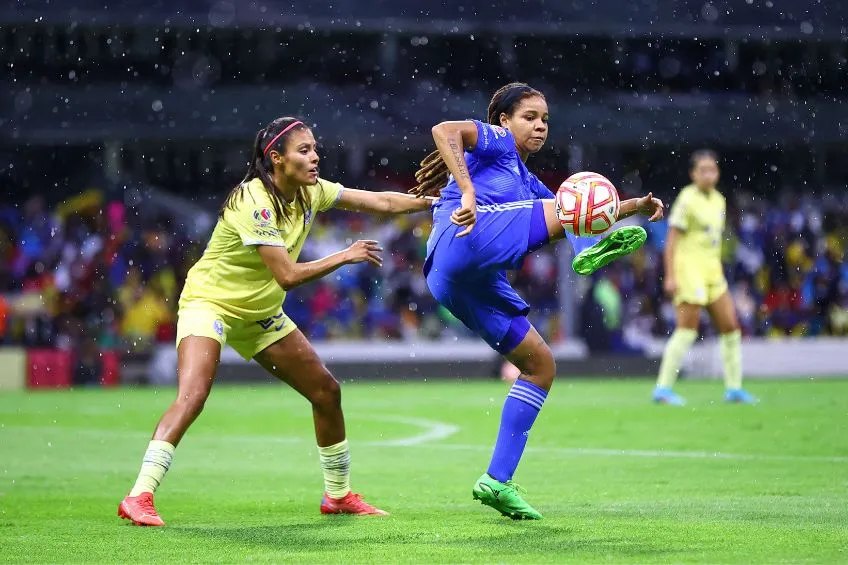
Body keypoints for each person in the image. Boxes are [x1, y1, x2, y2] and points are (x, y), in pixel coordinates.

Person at [118, 117, 435, 526]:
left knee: (326, 392)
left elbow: (384, 203)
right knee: (193, 395)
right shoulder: (252, 199)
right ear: (276, 159)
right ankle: (139, 495)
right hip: (210, 304)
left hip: (261, 312)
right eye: (304, 150)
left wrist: (435, 203)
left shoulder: (312, 192)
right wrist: (345, 254)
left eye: (315, 148)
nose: (315, 156)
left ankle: (337, 496)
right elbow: (286, 274)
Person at [411, 82, 664, 519]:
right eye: (530, 116)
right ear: (504, 120)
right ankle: (590, 252)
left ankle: (496, 480)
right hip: (464, 239)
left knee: (540, 365)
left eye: (545, 119)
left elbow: (572, 215)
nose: (540, 126)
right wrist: (467, 192)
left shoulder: (525, 179)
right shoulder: (497, 141)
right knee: (569, 213)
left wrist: (632, 206)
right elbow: (443, 129)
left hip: (458, 280)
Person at [653, 149, 757, 406]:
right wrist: (671, 275)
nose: (708, 175)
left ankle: (734, 389)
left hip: (713, 272)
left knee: (731, 328)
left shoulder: (719, 201)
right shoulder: (686, 200)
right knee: (687, 330)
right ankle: (663, 389)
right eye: (703, 170)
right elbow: (672, 242)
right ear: (693, 174)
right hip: (689, 271)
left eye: (712, 169)